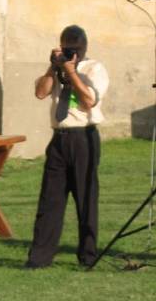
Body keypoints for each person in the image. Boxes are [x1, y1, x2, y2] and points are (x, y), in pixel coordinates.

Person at [26, 25, 109, 269]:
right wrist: (54, 66)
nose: (72, 50)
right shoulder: (56, 67)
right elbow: (41, 93)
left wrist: (71, 72)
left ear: (85, 46)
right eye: (66, 45)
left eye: (76, 46)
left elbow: (88, 100)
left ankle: (88, 256)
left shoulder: (95, 68)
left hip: (84, 137)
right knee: (50, 200)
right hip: (59, 138)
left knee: (86, 198)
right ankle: (39, 258)